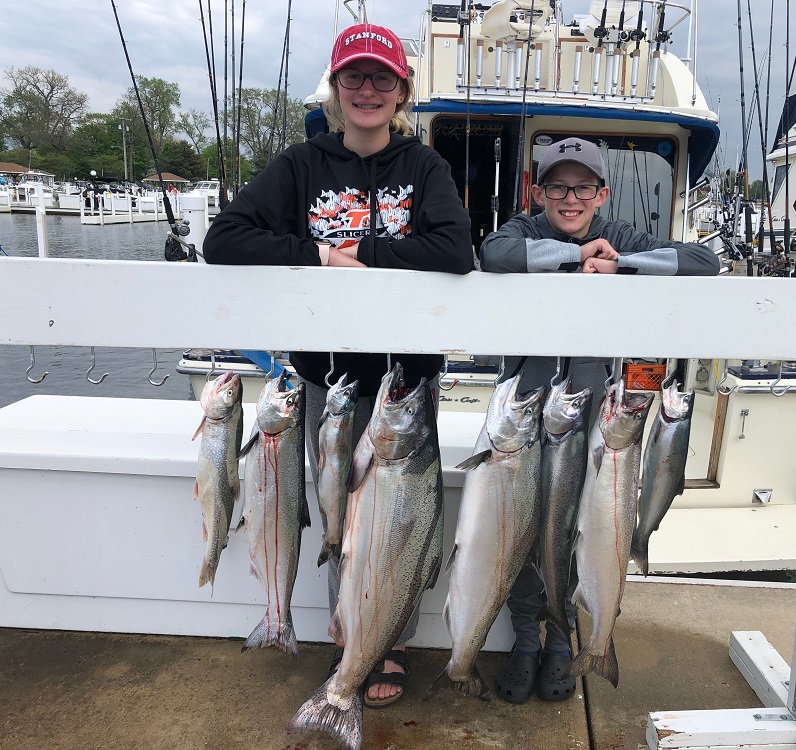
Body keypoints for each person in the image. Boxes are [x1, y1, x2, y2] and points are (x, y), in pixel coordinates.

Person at [202, 22, 473, 707]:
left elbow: (452, 251)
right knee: (336, 509)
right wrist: (316, 254)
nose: (368, 90)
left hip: (405, 382)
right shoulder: (301, 165)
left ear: (403, 91)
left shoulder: (425, 168)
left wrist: (369, 255)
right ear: (335, 87)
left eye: (383, 78)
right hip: (327, 379)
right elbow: (224, 236)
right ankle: (348, 632)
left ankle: (394, 639)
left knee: (402, 517)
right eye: (354, 76)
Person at [479, 136, 719, 704]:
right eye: (557, 186)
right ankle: (525, 640)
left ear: (601, 193)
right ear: (538, 192)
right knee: (524, 530)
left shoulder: (626, 237)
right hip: (527, 422)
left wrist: (621, 264)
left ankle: (564, 640)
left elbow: (704, 263)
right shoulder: (525, 232)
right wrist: (573, 259)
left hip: (598, 424)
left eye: (582, 187)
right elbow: (492, 255)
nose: (570, 198)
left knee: (578, 533)